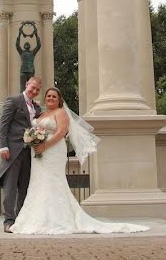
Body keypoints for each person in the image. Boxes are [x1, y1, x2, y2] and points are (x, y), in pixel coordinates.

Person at [10, 87, 150, 235]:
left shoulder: (61, 113)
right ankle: (35, 218)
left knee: (53, 180)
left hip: (53, 151)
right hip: (38, 154)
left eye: (54, 96)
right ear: (45, 98)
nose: (50, 98)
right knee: (38, 182)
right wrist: (32, 139)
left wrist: (45, 145)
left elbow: (61, 132)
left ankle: (57, 219)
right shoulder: (42, 114)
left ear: (59, 100)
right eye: (48, 96)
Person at [0, 76, 43, 233]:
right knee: (10, 188)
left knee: (24, 187)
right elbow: (3, 124)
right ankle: (8, 221)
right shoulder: (13, 100)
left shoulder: (37, 108)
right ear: (27, 84)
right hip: (13, 151)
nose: (34, 91)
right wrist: (3, 147)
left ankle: (20, 220)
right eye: (32, 87)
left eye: (37, 89)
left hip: (29, 154)